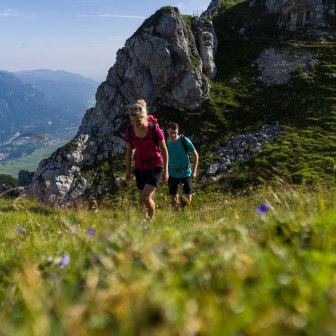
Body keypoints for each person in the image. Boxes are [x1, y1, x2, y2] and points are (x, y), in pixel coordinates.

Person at [125, 99, 168, 220]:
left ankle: (151, 219)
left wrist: (166, 171)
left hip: (155, 166)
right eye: (133, 121)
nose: (135, 124)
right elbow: (129, 151)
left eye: (138, 121)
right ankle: (143, 222)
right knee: (141, 199)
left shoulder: (154, 129)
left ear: (144, 117)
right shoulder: (130, 130)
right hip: (140, 167)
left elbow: (164, 150)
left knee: (145, 198)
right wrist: (128, 170)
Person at [167, 122, 199, 210]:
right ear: (167, 132)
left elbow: (196, 155)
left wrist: (194, 171)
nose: (173, 135)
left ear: (178, 131)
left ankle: (182, 209)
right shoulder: (166, 142)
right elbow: (163, 157)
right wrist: (164, 171)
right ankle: (177, 215)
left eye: (175, 133)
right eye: (171, 133)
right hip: (172, 173)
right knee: (173, 200)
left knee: (188, 199)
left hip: (186, 173)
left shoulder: (184, 140)